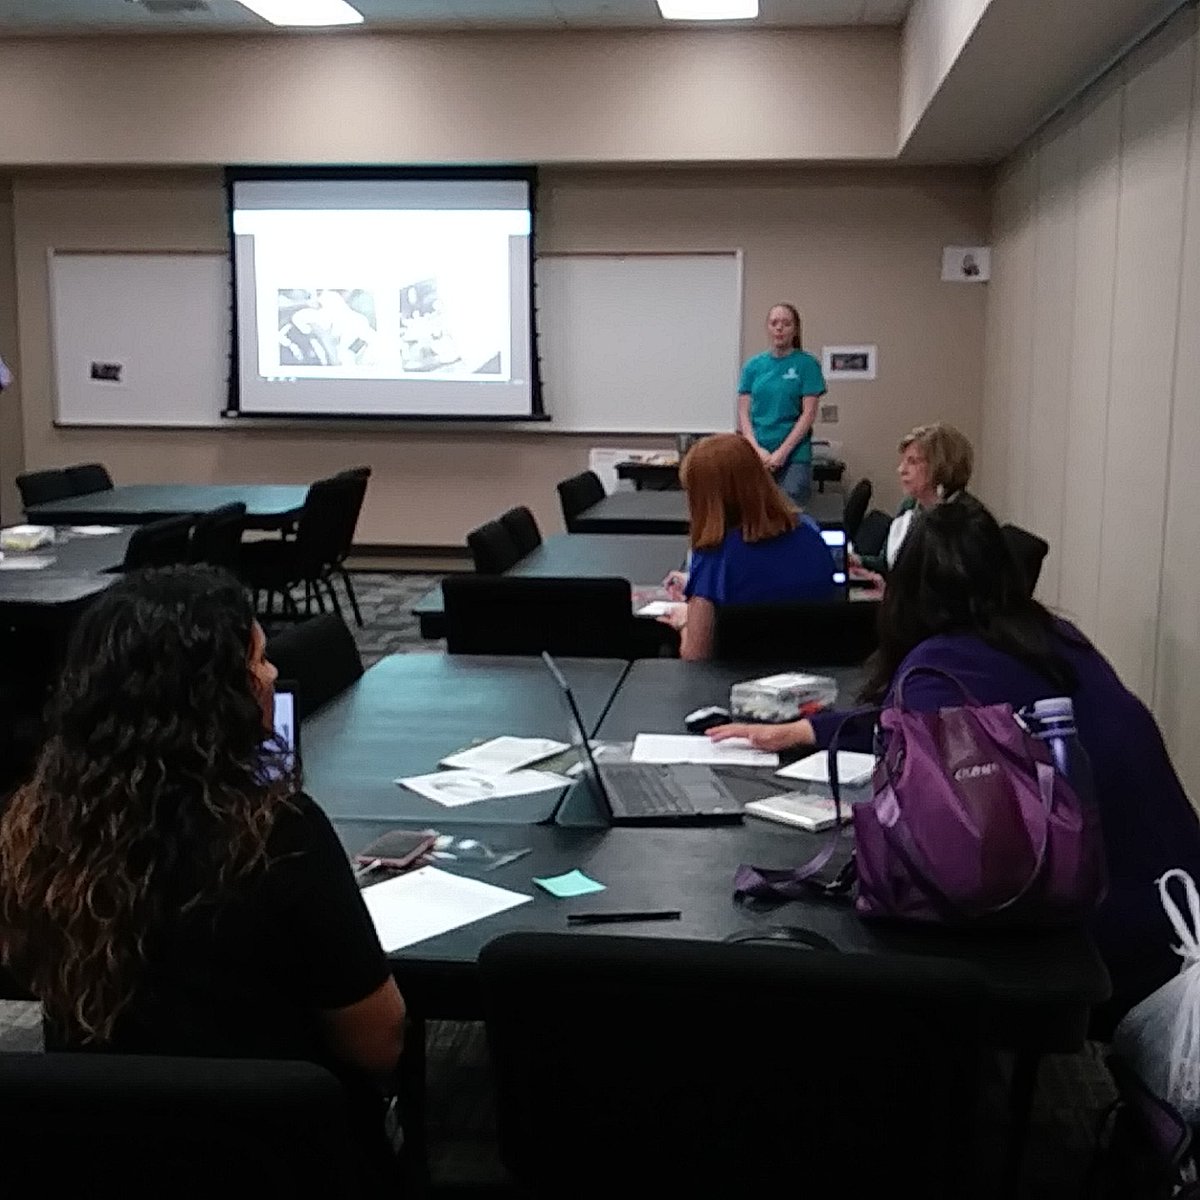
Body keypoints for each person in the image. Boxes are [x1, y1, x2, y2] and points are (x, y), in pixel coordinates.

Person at [711, 494, 1200, 1029]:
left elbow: (928, 799)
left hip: (1100, 939)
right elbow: (921, 723)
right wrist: (808, 729)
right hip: (1176, 901)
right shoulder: (1053, 638)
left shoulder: (937, 667)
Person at [0, 567, 406, 1172]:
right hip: (275, 1150)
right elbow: (379, 1044)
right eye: (260, 660)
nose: (272, 676)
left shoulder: (36, 824)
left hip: (93, 1148)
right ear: (220, 694)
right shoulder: (282, 832)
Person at [660, 433, 837, 661]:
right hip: (813, 674)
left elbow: (696, 655)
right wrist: (698, 584)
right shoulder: (810, 533)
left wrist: (685, 621)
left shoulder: (715, 557)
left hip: (738, 684)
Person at [854, 421, 973, 575]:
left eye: (912, 462)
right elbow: (889, 563)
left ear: (941, 466)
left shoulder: (965, 522)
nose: (901, 470)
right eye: (903, 462)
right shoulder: (910, 506)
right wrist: (859, 562)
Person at [737, 302, 826, 504]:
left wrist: (781, 453)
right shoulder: (753, 366)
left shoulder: (807, 364)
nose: (779, 328)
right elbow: (744, 413)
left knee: (789, 510)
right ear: (768, 328)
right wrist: (756, 449)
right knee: (753, 509)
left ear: (795, 329)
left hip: (794, 454)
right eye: (774, 323)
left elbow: (808, 414)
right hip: (758, 452)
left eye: (786, 323)